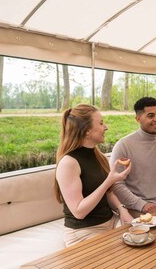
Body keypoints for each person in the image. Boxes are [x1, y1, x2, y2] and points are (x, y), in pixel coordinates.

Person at [54, 104, 133, 247]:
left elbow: (108, 194)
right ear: (86, 132)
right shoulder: (68, 163)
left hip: (110, 222)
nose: (106, 127)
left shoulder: (98, 155)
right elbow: (79, 212)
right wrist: (109, 181)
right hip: (84, 231)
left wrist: (122, 210)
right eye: (101, 123)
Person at [110, 97, 156, 217]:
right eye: (151, 116)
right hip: (136, 207)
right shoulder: (124, 145)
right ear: (138, 119)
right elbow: (116, 184)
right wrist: (142, 205)